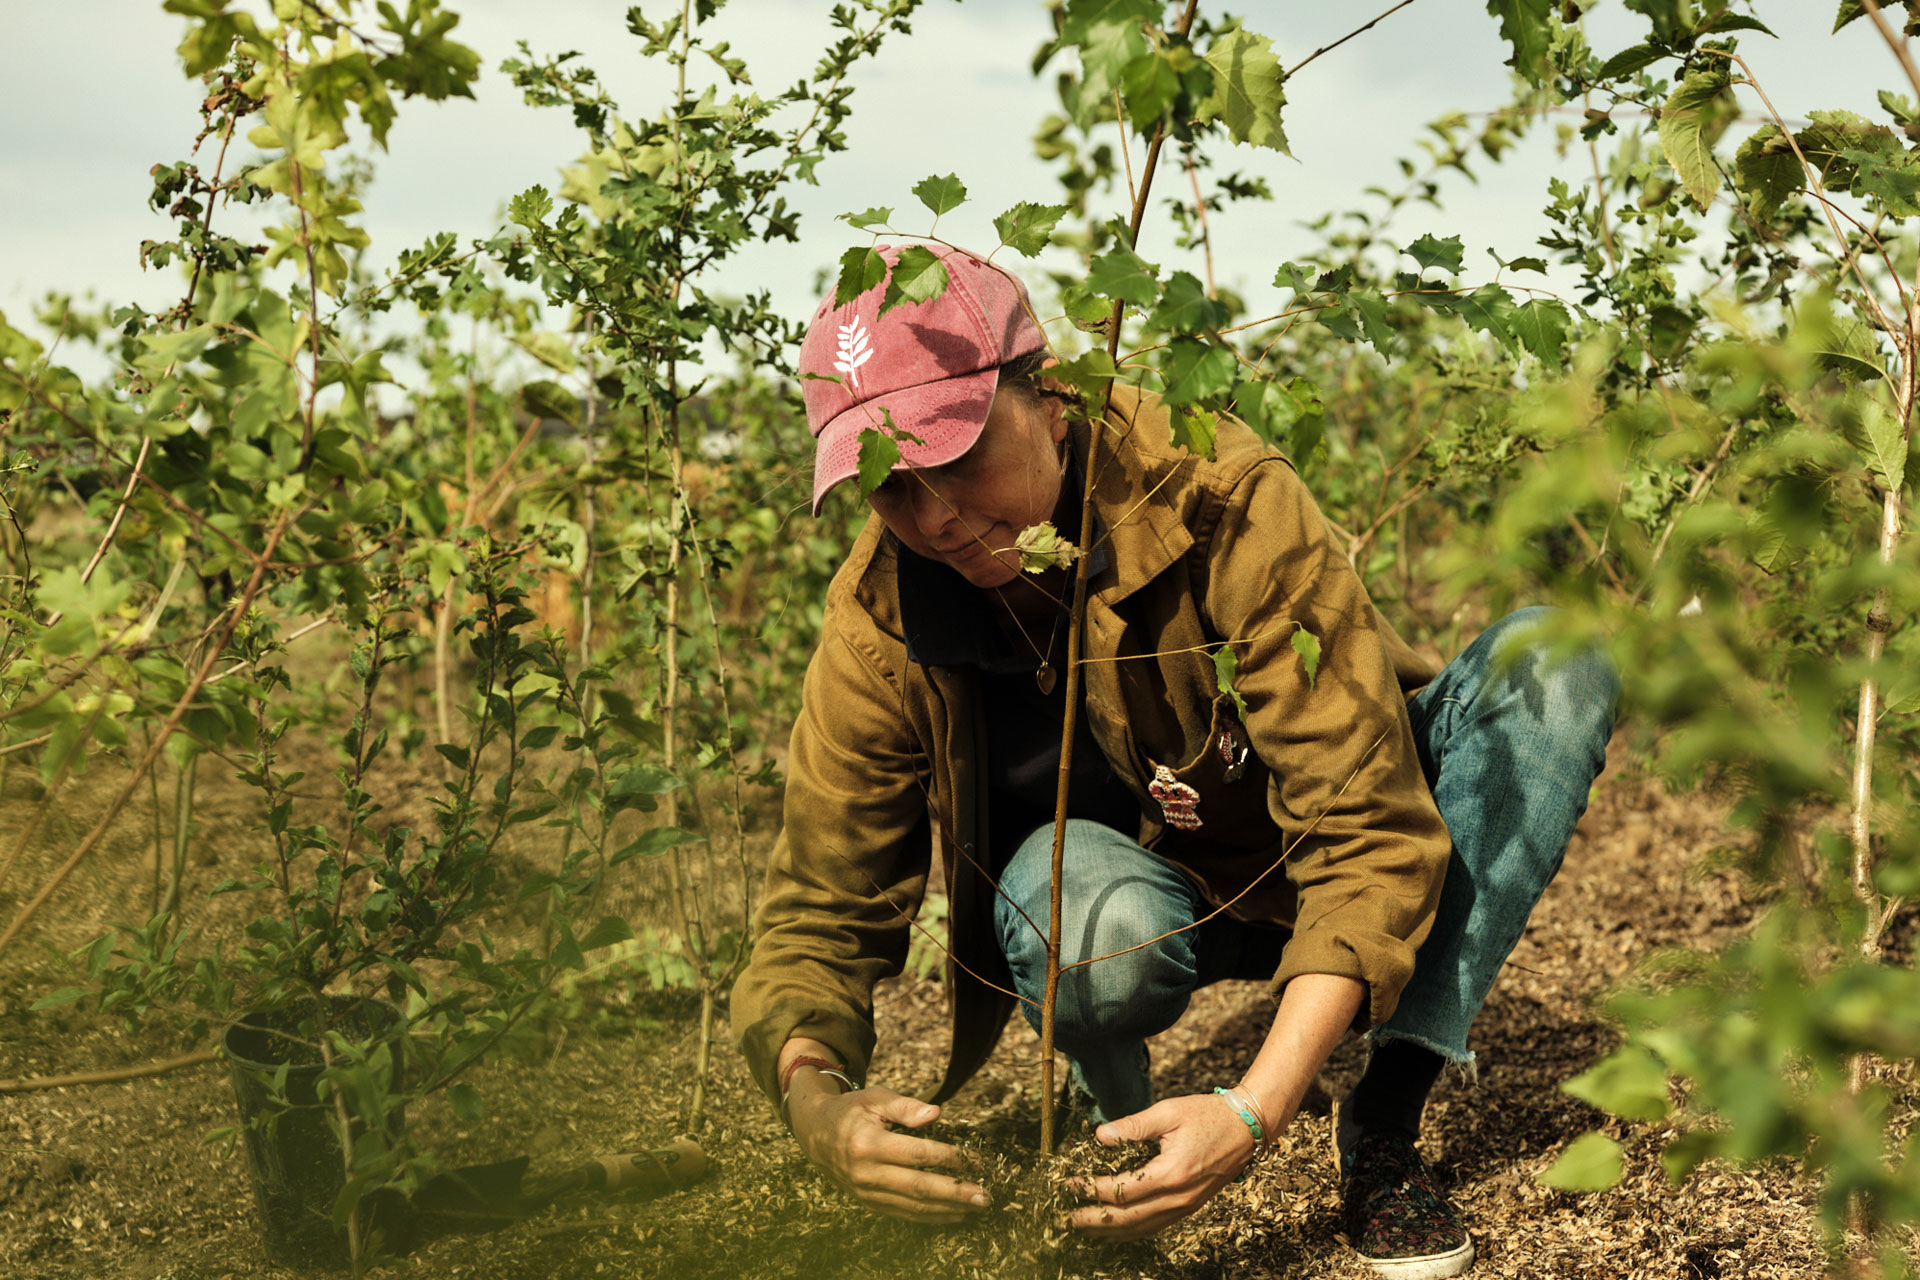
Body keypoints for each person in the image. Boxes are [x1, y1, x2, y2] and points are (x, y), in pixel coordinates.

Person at [731, 243, 1618, 1278]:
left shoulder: (1214, 491)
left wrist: (1257, 1106)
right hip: (1158, 897)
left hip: (1316, 845)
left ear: (1048, 393)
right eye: (888, 487)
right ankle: (1129, 1144)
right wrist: (815, 1096)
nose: (934, 518)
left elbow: (1364, 823)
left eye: (956, 456)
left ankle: (1384, 1111)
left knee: (1559, 661)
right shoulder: (878, 614)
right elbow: (820, 903)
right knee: (1075, 909)